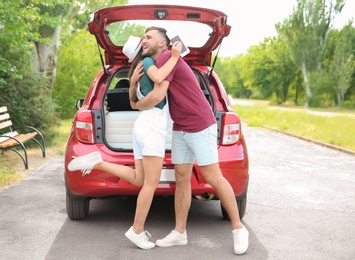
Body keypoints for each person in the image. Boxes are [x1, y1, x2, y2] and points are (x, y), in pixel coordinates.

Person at [130, 27, 249, 255]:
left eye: (148, 37)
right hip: (181, 127)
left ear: (163, 43)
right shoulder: (162, 62)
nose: (143, 40)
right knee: (182, 178)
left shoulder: (167, 57)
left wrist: (135, 105)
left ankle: (238, 228)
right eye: (143, 37)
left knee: (213, 177)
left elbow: (157, 95)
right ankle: (179, 232)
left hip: (200, 124)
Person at [68, 36, 182, 250]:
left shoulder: (136, 70)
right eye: (145, 40)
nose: (147, 42)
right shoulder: (148, 63)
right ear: (141, 49)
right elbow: (160, 80)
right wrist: (175, 57)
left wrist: (132, 86)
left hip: (141, 127)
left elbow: (133, 101)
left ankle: (98, 163)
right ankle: (137, 230)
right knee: (150, 184)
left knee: (140, 179)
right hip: (152, 128)